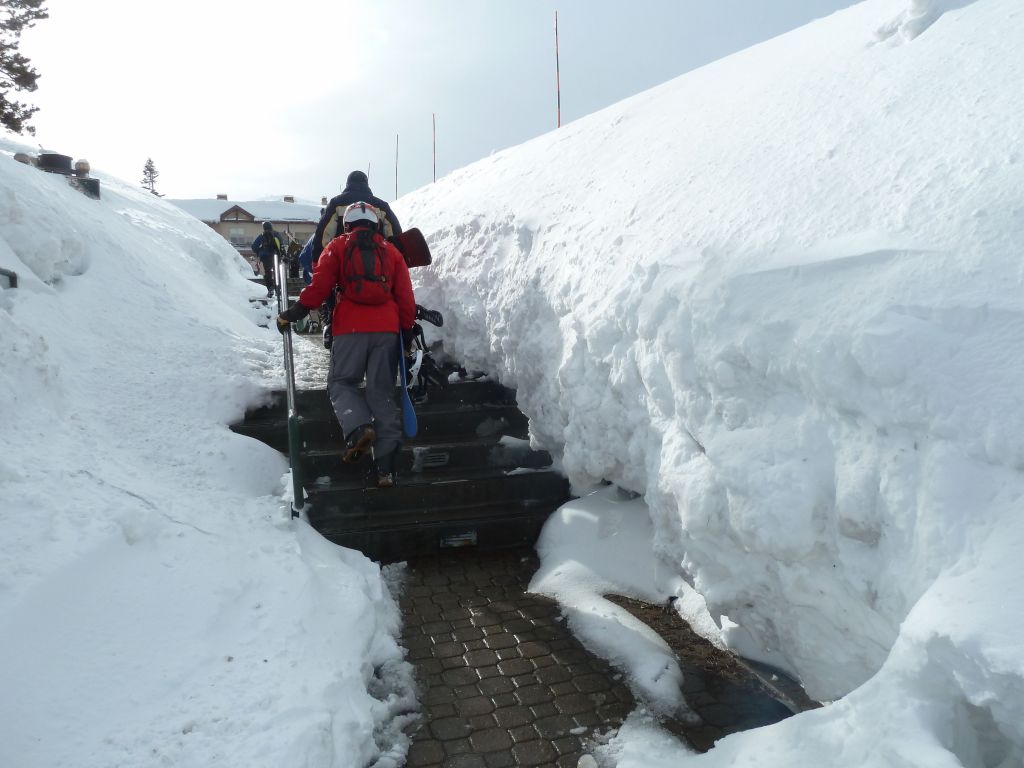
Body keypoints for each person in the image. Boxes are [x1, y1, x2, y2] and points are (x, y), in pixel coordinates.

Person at [277, 202, 415, 488]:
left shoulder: (337, 247)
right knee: (382, 394)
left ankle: (359, 428)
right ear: (376, 225)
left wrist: (293, 313)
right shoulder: (392, 253)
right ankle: (385, 469)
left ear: (348, 225)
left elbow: (319, 287)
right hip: (386, 330)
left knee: (342, 383)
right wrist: (406, 335)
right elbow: (405, 298)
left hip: (350, 328)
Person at [251, 221, 284, 297]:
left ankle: (270, 289)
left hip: (265, 258)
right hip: (276, 257)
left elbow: (253, 247)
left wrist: (259, 250)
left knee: (267, 274)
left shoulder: (262, 236)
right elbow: (282, 245)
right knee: (277, 273)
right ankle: (278, 289)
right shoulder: (277, 234)